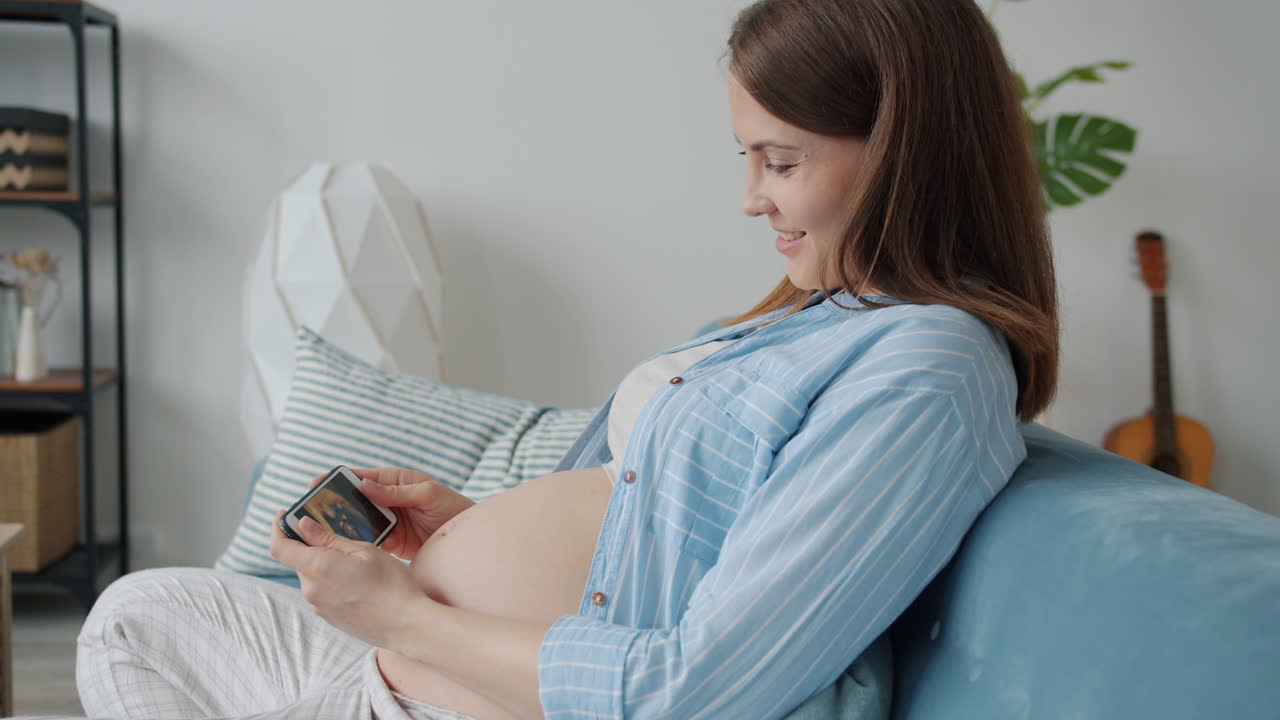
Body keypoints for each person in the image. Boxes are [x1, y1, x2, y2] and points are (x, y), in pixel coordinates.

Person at [72, 0, 1057, 718]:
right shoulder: (818, 318)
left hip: (459, 690)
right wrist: (460, 531)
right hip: (419, 665)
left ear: (903, 151)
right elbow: (656, 539)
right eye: (744, 158)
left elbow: (702, 690)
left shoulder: (927, 373)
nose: (751, 198)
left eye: (781, 161)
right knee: (139, 613)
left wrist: (404, 621)